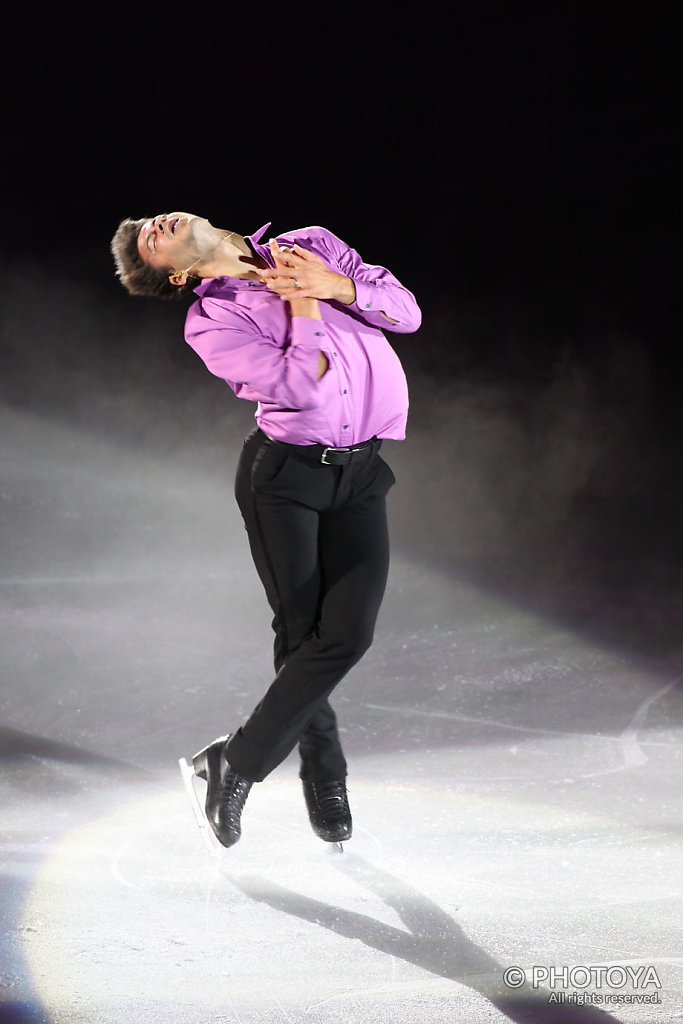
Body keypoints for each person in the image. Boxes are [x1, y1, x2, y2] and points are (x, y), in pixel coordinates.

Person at [110, 212, 421, 849]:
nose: (157, 222)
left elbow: (405, 312)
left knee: (348, 634)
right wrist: (306, 306)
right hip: (283, 479)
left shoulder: (307, 246)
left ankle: (235, 761)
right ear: (177, 274)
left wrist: (340, 287)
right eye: (150, 237)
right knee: (304, 633)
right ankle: (325, 777)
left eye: (151, 220)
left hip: (362, 470)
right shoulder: (212, 320)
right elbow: (300, 387)